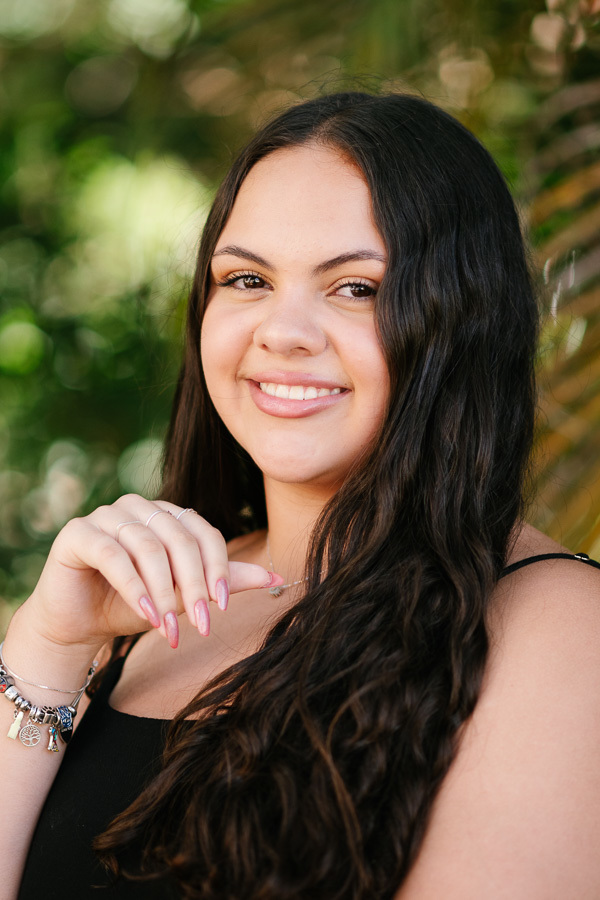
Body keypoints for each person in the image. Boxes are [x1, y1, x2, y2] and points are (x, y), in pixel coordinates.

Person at [2, 91, 600, 900]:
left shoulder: (557, 626)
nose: (282, 332)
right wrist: (47, 650)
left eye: (355, 287)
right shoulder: (140, 608)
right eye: (246, 278)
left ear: (463, 316)